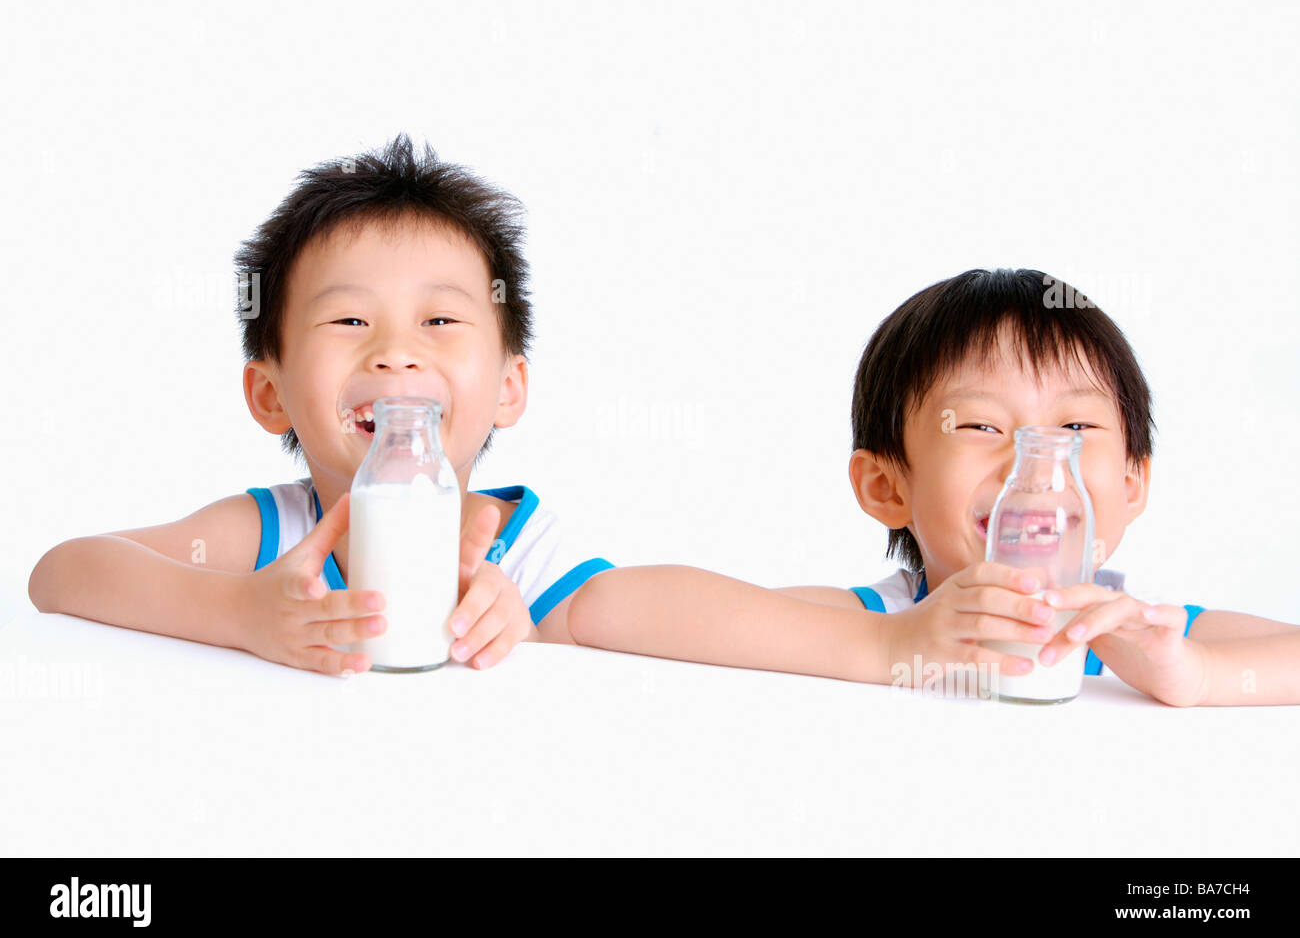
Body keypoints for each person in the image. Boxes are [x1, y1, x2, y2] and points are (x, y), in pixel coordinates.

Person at [565, 268, 1300, 706]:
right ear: (887, 486)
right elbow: (608, 608)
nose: (1035, 462)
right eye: (981, 426)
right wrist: (887, 645)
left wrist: (1195, 674)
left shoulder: (1126, 637)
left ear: (1134, 484)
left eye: (1076, 430)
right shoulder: (882, 619)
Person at [29, 134, 611, 674]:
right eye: (349, 319)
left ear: (509, 387)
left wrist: (526, 639)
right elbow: (60, 574)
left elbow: (696, 626)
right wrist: (240, 612)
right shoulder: (270, 540)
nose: (395, 352)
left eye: (439, 319)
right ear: (270, 394)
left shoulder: (526, 558)